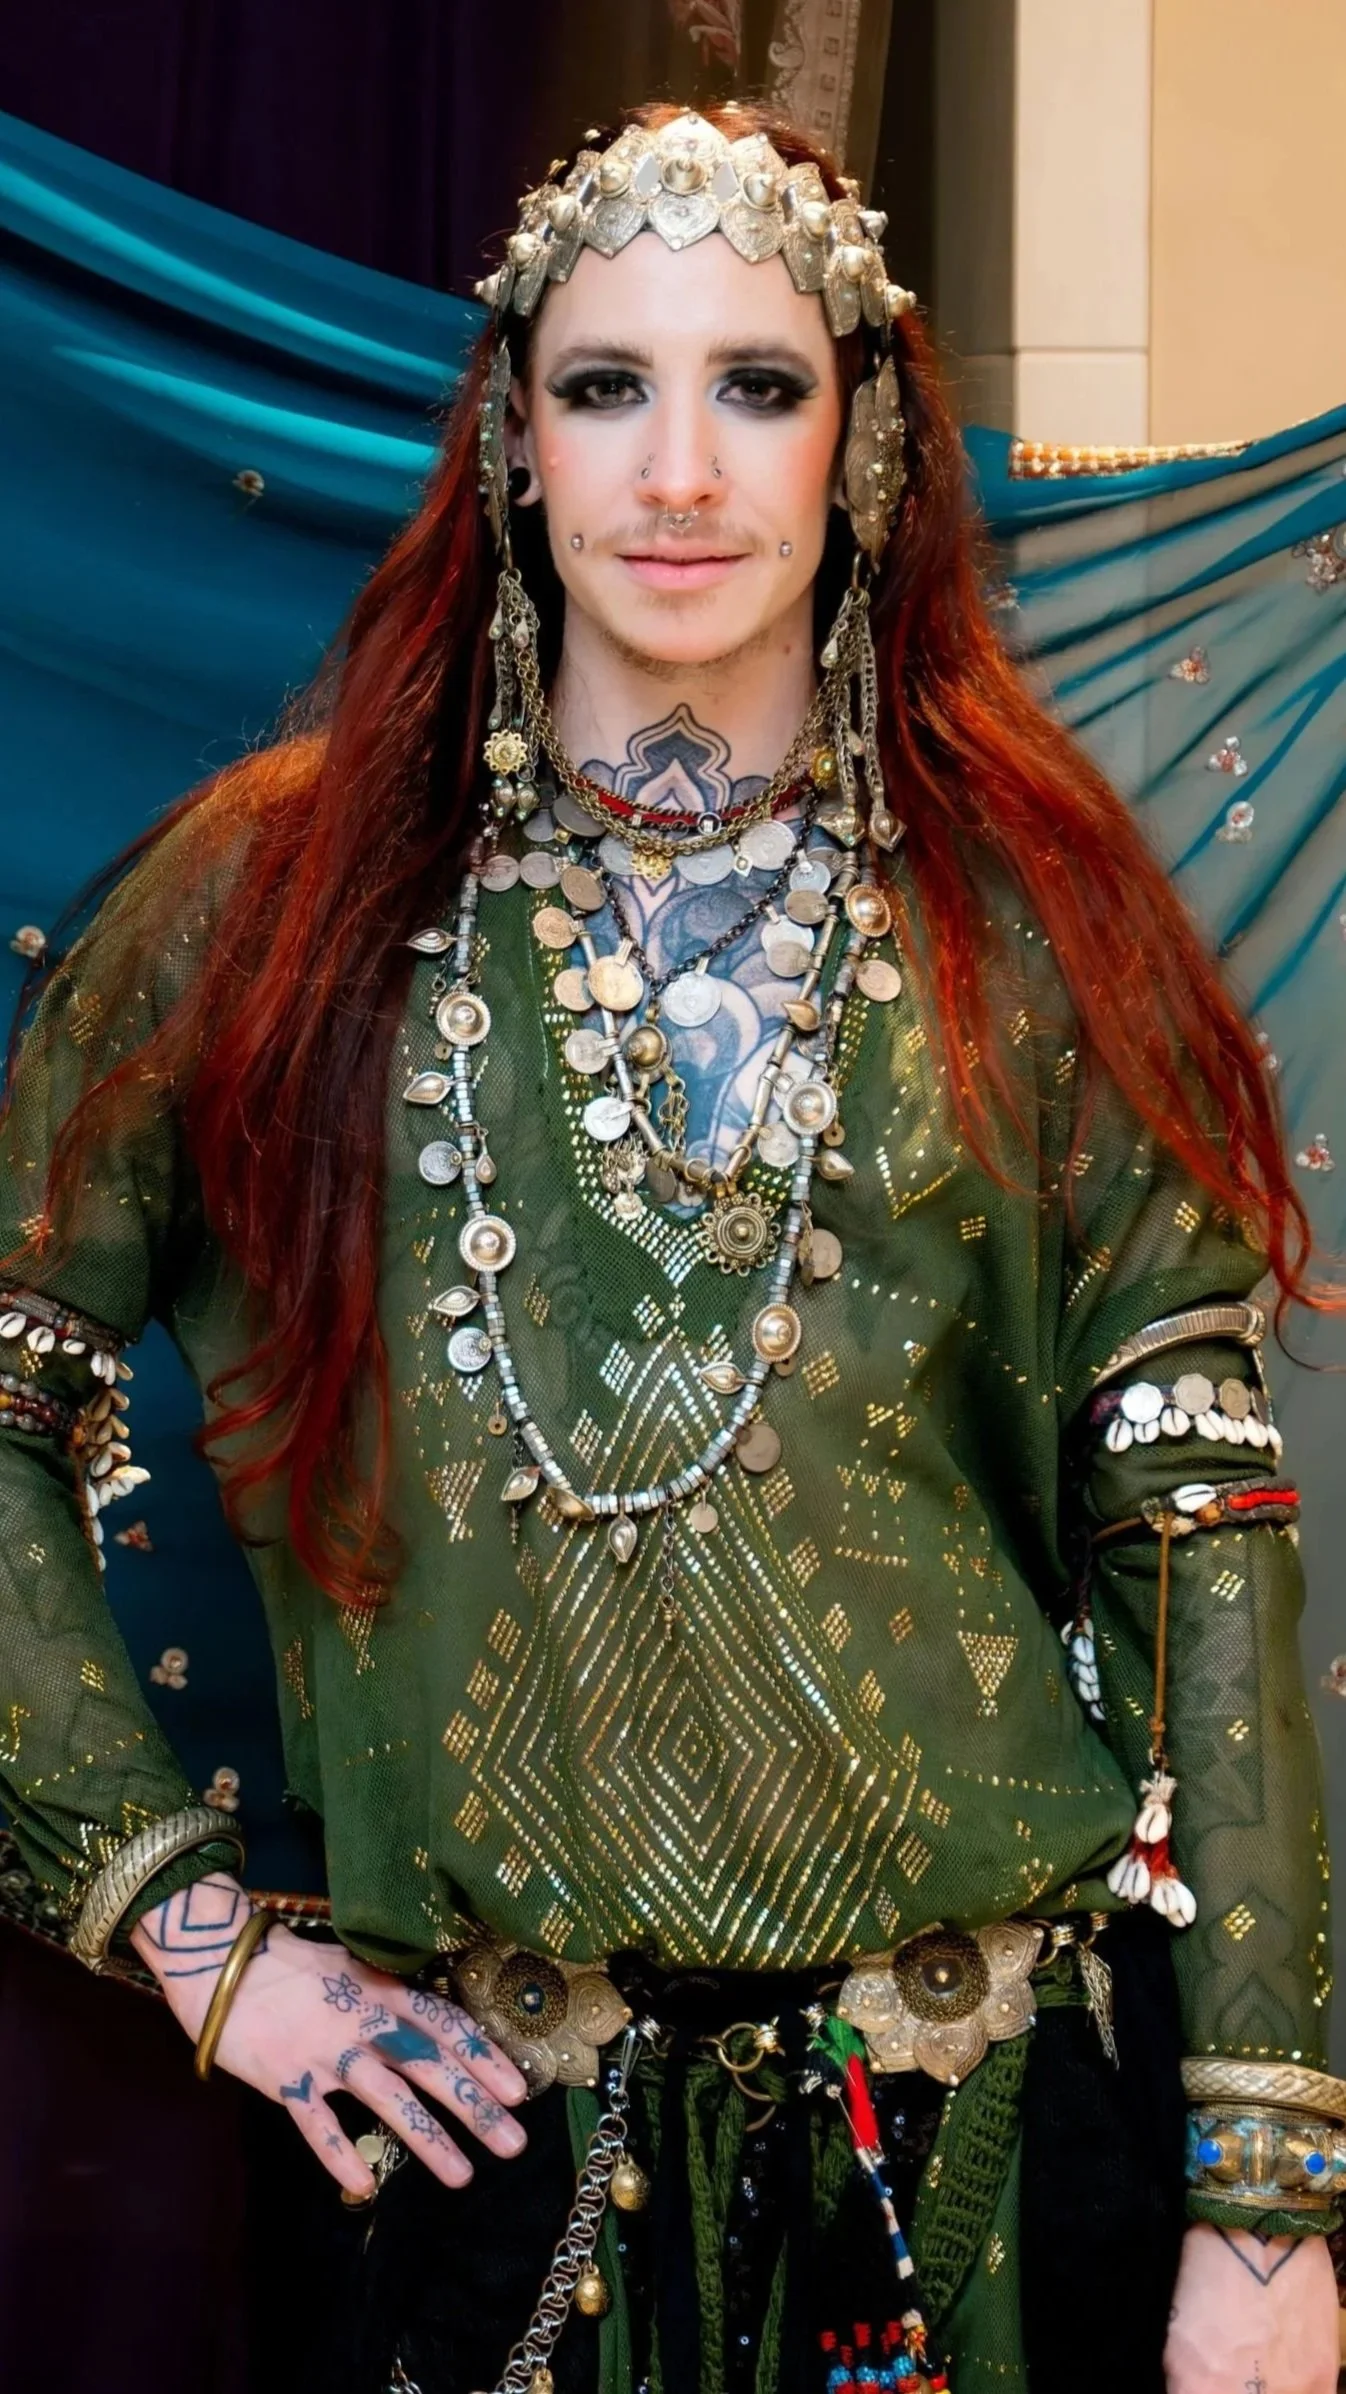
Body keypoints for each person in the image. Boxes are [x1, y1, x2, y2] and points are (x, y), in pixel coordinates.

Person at [0, 98, 1338, 2394]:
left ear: (865, 447)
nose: (681, 471)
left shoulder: (1031, 925)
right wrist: (202, 1946)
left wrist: (1265, 2206)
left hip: (983, 2164)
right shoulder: (266, 912)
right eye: (608, 386)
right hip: (470, 2169)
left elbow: (1200, 1556)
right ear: (512, 443)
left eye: (759, 385)